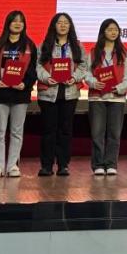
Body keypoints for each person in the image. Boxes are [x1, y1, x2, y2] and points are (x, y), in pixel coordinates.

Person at [0, 10, 37, 178]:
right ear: (8, 23)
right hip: (0, 94)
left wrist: (25, 84)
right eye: (14, 21)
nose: (17, 23)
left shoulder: (30, 46)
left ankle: (13, 165)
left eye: (21, 21)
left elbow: (33, 70)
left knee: (16, 132)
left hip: (20, 95)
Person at [35, 12, 88, 177]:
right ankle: (46, 166)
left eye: (66, 22)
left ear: (70, 26)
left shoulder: (77, 47)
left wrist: (74, 77)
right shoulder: (45, 45)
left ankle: (63, 165)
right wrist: (46, 77)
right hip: (48, 93)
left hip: (69, 93)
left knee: (65, 131)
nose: (63, 25)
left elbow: (84, 66)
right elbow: (37, 66)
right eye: (59, 22)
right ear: (54, 26)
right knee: (48, 131)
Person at [87, 18, 127, 175]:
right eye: (109, 29)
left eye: (115, 29)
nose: (113, 32)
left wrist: (120, 88)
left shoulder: (124, 53)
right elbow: (87, 73)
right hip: (97, 98)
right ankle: (98, 165)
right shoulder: (94, 52)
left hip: (116, 98)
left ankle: (111, 163)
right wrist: (94, 83)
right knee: (97, 133)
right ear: (103, 32)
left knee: (114, 133)